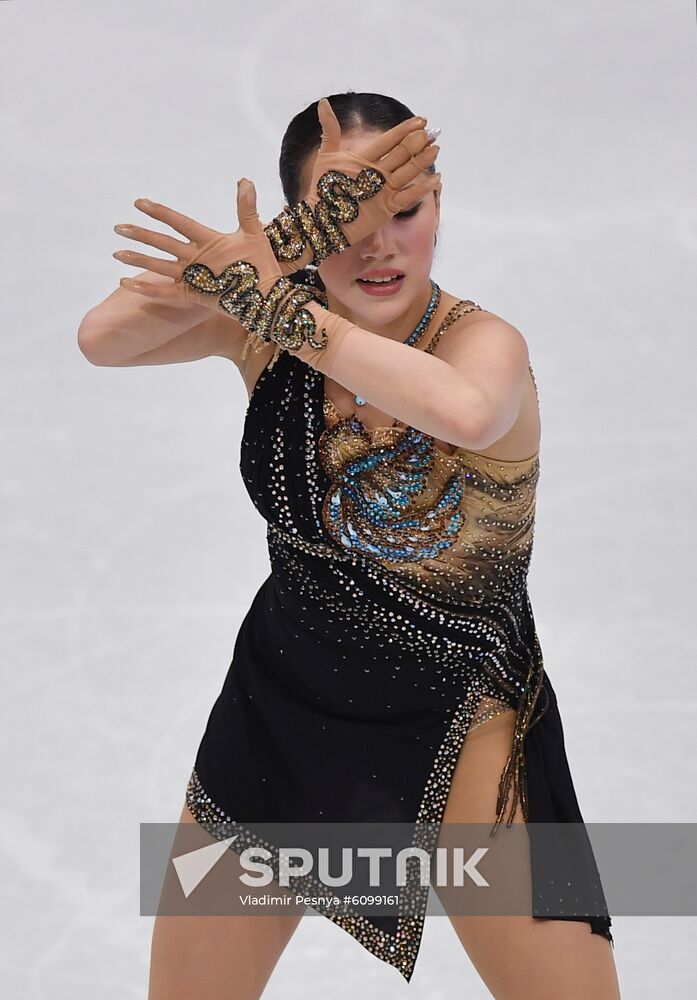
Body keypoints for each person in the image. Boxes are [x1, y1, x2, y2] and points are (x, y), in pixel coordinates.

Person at [78, 91, 622, 999]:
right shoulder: (264, 313)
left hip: (469, 725)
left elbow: (463, 410)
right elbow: (102, 340)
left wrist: (271, 295)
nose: (378, 245)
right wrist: (277, 257)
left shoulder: (483, 344)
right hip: (278, 715)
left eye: (403, 211)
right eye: (347, 218)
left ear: (438, 202)